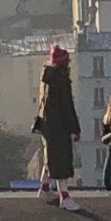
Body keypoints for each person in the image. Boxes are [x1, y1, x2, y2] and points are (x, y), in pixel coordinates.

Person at [35, 45, 83, 210]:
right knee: (61, 161)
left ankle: (45, 187)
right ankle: (65, 196)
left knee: (51, 158)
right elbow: (67, 106)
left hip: (46, 124)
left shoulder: (46, 77)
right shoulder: (61, 80)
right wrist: (75, 128)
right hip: (59, 127)